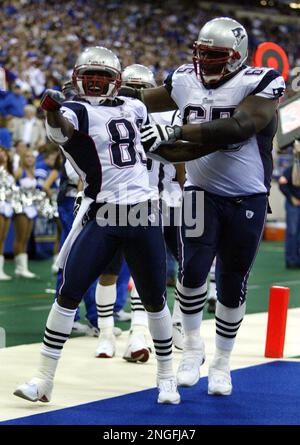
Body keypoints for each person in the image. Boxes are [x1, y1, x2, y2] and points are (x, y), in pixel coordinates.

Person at [122, 17, 285, 395]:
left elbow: (241, 125)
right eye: (202, 54)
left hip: (248, 195)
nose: (205, 63)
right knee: (192, 271)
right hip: (199, 191)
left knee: (232, 281)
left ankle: (223, 363)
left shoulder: (260, 81)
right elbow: (143, 99)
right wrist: (103, 96)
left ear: (237, 56)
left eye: (215, 56)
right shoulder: (184, 79)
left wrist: (178, 130)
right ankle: (192, 349)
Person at [14, 46, 180, 405]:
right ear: (77, 79)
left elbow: (150, 139)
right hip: (104, 212)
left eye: (101, 78)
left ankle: (167, 377)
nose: (94, 84)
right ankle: (43, 379)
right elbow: (62, 129)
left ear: (116, 82)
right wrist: (52, 110)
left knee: (154, 299)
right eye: (88, 77)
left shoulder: (135, 107)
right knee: (68, 292)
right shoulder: (74, 109)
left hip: (142, 211)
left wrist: (170, 132)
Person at [13, 150, 38, 278]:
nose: (30, 159)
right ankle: (19, 268)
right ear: (23, 158)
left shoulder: (33, 173)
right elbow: (10, 184)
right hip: (21, 208)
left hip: (31, 208)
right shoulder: (19, 171)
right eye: (27, 156)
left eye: (32, 157)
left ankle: (23, 267)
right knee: (20, 237)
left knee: (26, 238)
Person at [279, 140, 300, 268]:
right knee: (292, 231)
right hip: (293, 204)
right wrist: (291, 198)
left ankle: (296, 258)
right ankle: (291, 260)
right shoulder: (290, 170)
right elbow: (282, 185)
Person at [0, 146, 14, 280]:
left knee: (3, 238)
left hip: (7, 206)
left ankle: (1, 269)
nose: (2, 155)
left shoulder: (10, 172)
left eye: (4, 152)